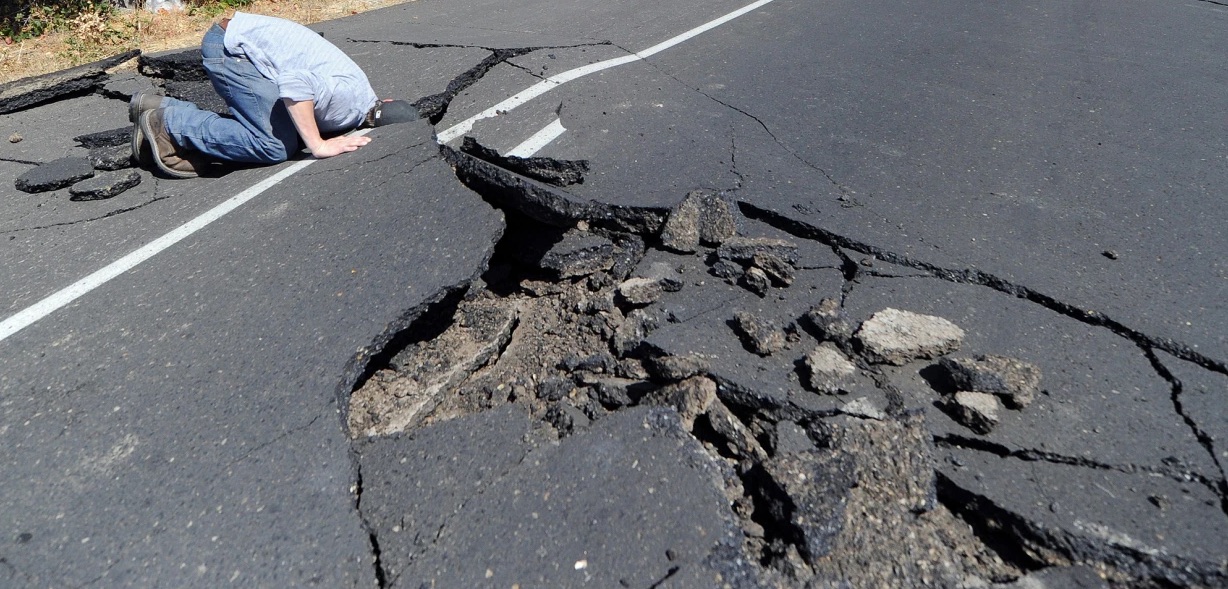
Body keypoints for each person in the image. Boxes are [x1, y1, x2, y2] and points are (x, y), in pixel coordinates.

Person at [130, 12, 417, 178]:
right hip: (232, 49)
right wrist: (318, 145)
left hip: (240, 40)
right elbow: (295, 85)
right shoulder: (347, 106)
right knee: (275, 146)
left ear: (387, 100)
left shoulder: (362, 92)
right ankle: (168, 126)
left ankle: (163, 105)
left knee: (288, 130)